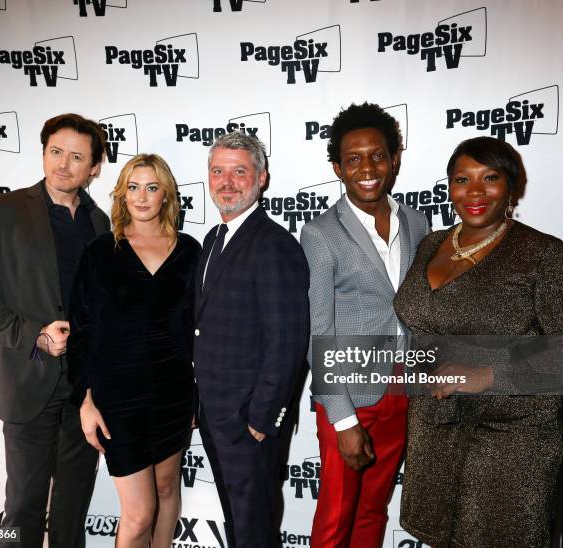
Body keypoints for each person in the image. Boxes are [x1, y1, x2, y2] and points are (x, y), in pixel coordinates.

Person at [393, 136, 563, 547]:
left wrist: (488, 374)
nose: (474, 192)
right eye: (461, 179)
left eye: (490, 178)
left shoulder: (544, 255)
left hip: (511, 438)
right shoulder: (432, 244)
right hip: (436, 428)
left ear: (512, 187)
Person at [0, 113, 109, 547]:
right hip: (28, 377)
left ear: (94, 167)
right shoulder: (3, 211)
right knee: (22, 505)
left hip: (83, 392)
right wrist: (34, 334)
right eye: (55, 152)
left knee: (71, 509)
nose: (63, 164)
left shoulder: (100, 225)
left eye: (76, 156)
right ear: (43, 154)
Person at [300, 102, 430, 548]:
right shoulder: (320, 234)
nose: (367, 168)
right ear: (337, 167)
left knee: (374, 511)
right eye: (353, 159)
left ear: (394, 158)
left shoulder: (417, 221)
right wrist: (342, 420)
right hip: (348, 394)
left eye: (377, 155)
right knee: (336, 518)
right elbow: (318, 330)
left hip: (399, 389)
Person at [68, 153, 200, 548]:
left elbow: (201, 330)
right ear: (122, 194)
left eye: (152, 187)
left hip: (173, 393)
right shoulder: (99, 251)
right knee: (139, 512)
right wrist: (85, 399)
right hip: (117, 399)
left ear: (167, 195)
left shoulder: (191, 252)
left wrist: (200, 394)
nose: (142, 197)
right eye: (133, 187)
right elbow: (81, 331)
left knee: (165, 492)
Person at [193, 131, 310, 548]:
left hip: (248, 421)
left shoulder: (275, 245)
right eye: (217, 171)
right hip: (214, 414)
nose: (226, 182)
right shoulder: (212, 241)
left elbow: (289, 342)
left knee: (254, 531)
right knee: (238, 527)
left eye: (239, 171)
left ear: (261, 178)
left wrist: (262, 420)